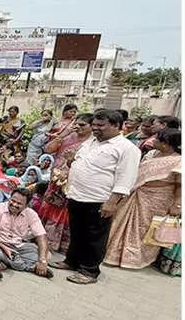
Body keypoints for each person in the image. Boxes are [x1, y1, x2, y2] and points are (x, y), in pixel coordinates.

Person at [51, 109, 140, 285]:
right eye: (94, 125)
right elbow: (79, 163)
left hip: (99, 200)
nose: (96, 128)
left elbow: (126, 178)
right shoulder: (91, 142)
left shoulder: (126, 148)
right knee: (77, 232)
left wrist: (112, 202)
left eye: (101, 125)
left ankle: (89, 271)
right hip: (76, 195)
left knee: (95, 237)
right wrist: (70, 162)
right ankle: (72, 261)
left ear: (116, 126)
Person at [104, 127, 181, 270]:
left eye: (157, 139)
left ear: (166, 143)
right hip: (136, 194)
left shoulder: (179, 161)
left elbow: (181, 185)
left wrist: (178, 205)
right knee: (121, 222)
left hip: (157, 200)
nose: (153, 141)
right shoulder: (152, 154)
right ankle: (114, 255)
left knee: (144, 229)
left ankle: (135, 259)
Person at [38, 113, 95, 253]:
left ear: (92, 127)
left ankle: (61, 243)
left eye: (82, 125)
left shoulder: (92, 143)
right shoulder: (68, 137)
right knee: (50, 207)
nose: (78, 127)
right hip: (56, 179)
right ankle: (41, 237)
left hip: (74, 182)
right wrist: (61, 136)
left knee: (66, 212)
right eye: (76, 124)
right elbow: (48, 149)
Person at [0, 188, 53, 278]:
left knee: (47, 255)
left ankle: (7, 262)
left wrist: (42, 260)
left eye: (19, 204)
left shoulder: (31, 214)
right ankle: (29, 267)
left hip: (18, 247)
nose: (14, 204)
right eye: (12, 201)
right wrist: (4, 248)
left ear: (26, 205)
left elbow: (41, 236)